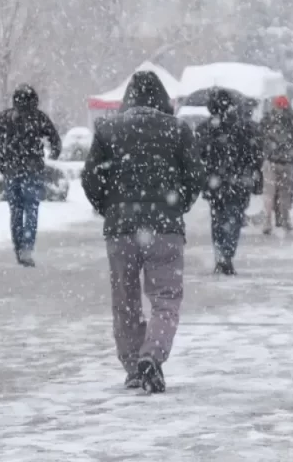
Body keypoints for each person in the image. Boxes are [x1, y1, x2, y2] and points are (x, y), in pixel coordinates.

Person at [81, 71, 203, 394]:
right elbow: (195, 177)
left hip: (121, 230)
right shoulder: (177, 130)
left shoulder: (108, 129)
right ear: (163, 99)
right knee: (166, 298)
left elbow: (91, 178)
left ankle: (134, 364)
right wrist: (176, 207)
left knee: (125, 299)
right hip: (165, 228)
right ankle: (152, 355)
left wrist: (109, 207)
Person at [196, 89, 263, 276]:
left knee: (218, 220)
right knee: (232, 219)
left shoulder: (205, 129)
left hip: (215, 183)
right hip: (237, 182)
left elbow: (199, 156)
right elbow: (255, 155)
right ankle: (226, 254)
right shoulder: (243, 127)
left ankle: (221, 255)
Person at [0, 85, 61, 267]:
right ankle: (27, 249)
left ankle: (18, 247)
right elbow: (55, 139)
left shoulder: (5, 117)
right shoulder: (38, 117)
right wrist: (52, 155)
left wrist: (2, 165)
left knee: (15, 211)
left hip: (11, 170)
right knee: (31, 210)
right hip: (33, 170)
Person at [260, 96, 293, 235]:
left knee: (271, 194)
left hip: (273, 161)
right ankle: (283, 219)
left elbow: (261, 139)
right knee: (283, 194)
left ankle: (270, 221)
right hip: (284, 162)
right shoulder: (292, 121)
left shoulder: (267, 120)